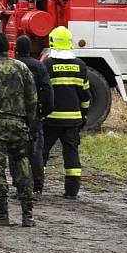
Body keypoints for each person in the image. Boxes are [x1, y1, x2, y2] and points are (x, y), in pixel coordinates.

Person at [0, 31, 38, 227]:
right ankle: (27, 214)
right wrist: (28, 122)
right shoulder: (22, 68)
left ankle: (3, 213)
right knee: (22, 165)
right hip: (19, 124)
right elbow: (32, 99)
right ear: (9, 48)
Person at [42, 26, 90, 199]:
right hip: (73, 120)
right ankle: (72, 191)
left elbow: (44, 92)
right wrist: (84, 114)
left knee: (42, 152)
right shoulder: (80, 66)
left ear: (52, 42)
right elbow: (85, 95)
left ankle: (37, 188)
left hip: (51, 120)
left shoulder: (47, 65)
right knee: (71, 153)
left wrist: (41, 113)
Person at [9, 35, 54, 201]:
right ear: (30, 49)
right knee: (35, 153)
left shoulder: (11, 66)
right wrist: (44, 112)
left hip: (14, 115)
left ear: (15, 50)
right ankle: (37, 188)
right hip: (33, 116)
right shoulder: (39, 67)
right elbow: (48, 91)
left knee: (15, 153)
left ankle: (19, 187)